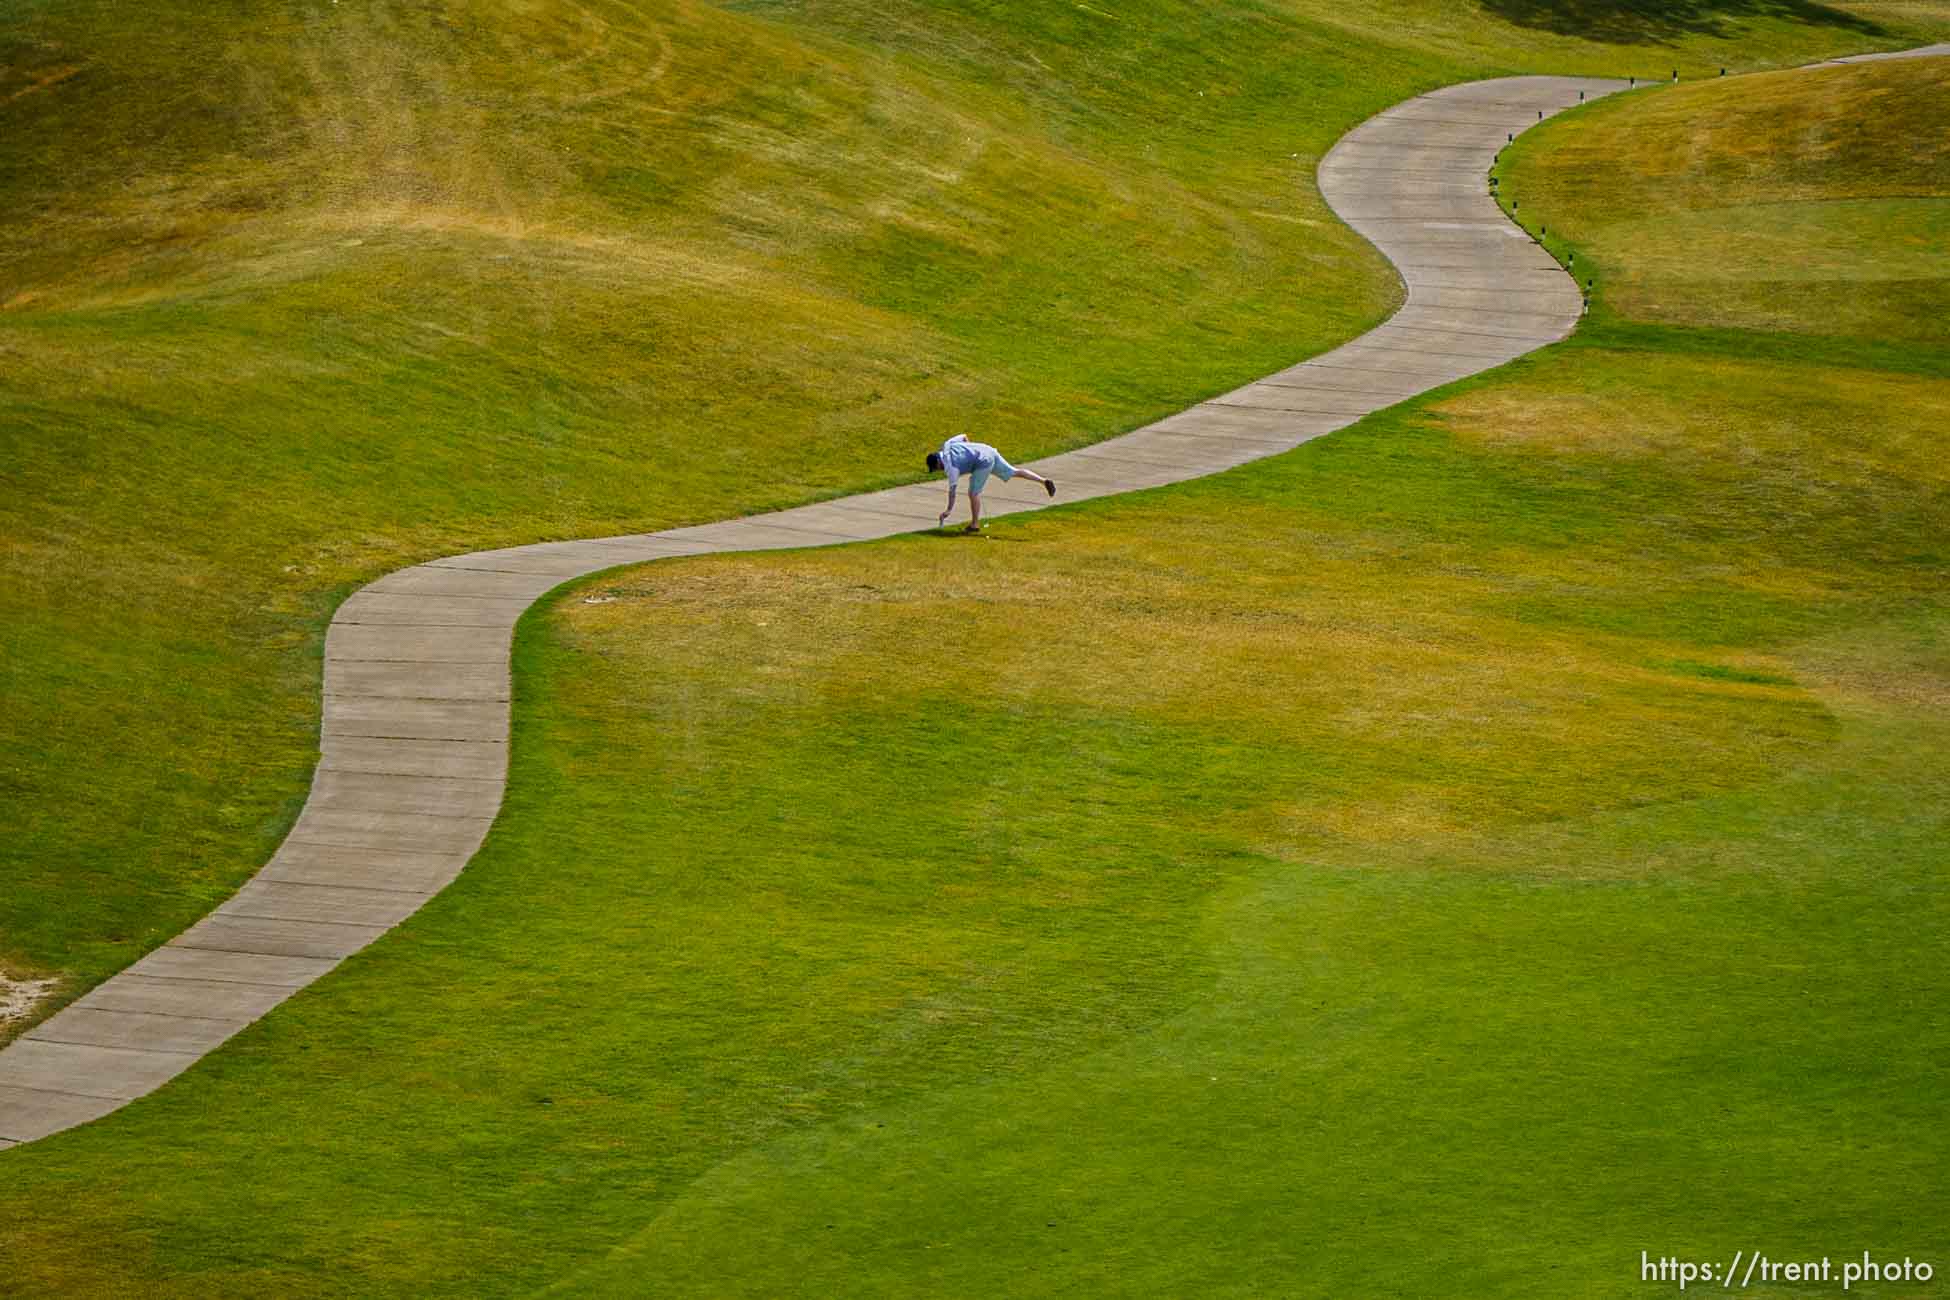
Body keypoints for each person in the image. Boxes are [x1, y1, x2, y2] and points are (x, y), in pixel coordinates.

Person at [927, 434, 1055, 532]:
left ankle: (975, 525)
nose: (939, 470)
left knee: (973, 493)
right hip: (988, 450)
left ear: (938, 462)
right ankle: (1043, 481)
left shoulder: (951, 468)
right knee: (1013, 472)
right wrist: (971, 453)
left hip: (982, 462)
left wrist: (948, 510)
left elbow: (952, 491)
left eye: (936, 468)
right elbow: (964, 436)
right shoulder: (947, 444)